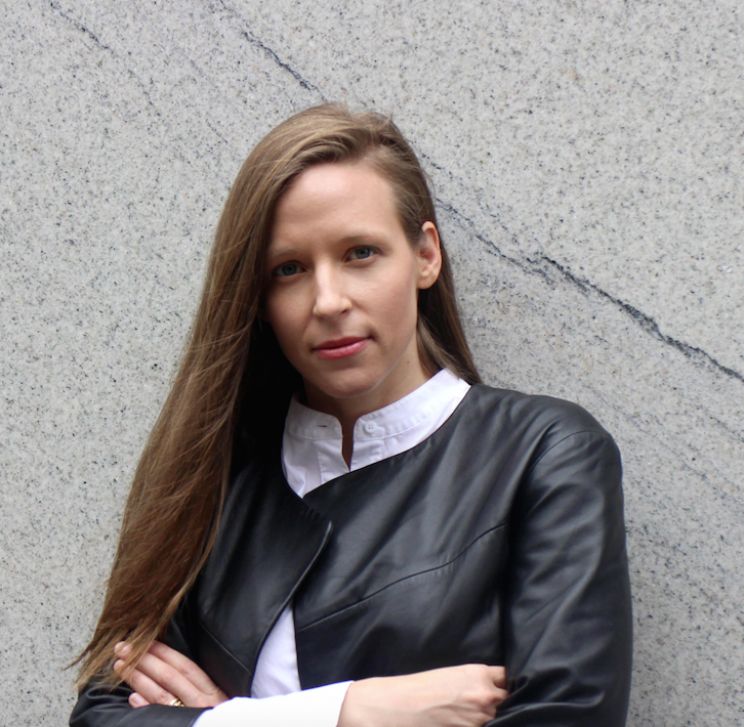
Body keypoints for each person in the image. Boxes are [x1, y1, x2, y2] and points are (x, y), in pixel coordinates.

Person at [70, 103, 632, 727]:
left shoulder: (544, 454)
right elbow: (102, 716)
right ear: (258, 297)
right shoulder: (220, 480)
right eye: (288, 269)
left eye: (360, 253)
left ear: (425, 255)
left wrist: (231, 719)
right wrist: (349, 710)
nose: (328, 301)